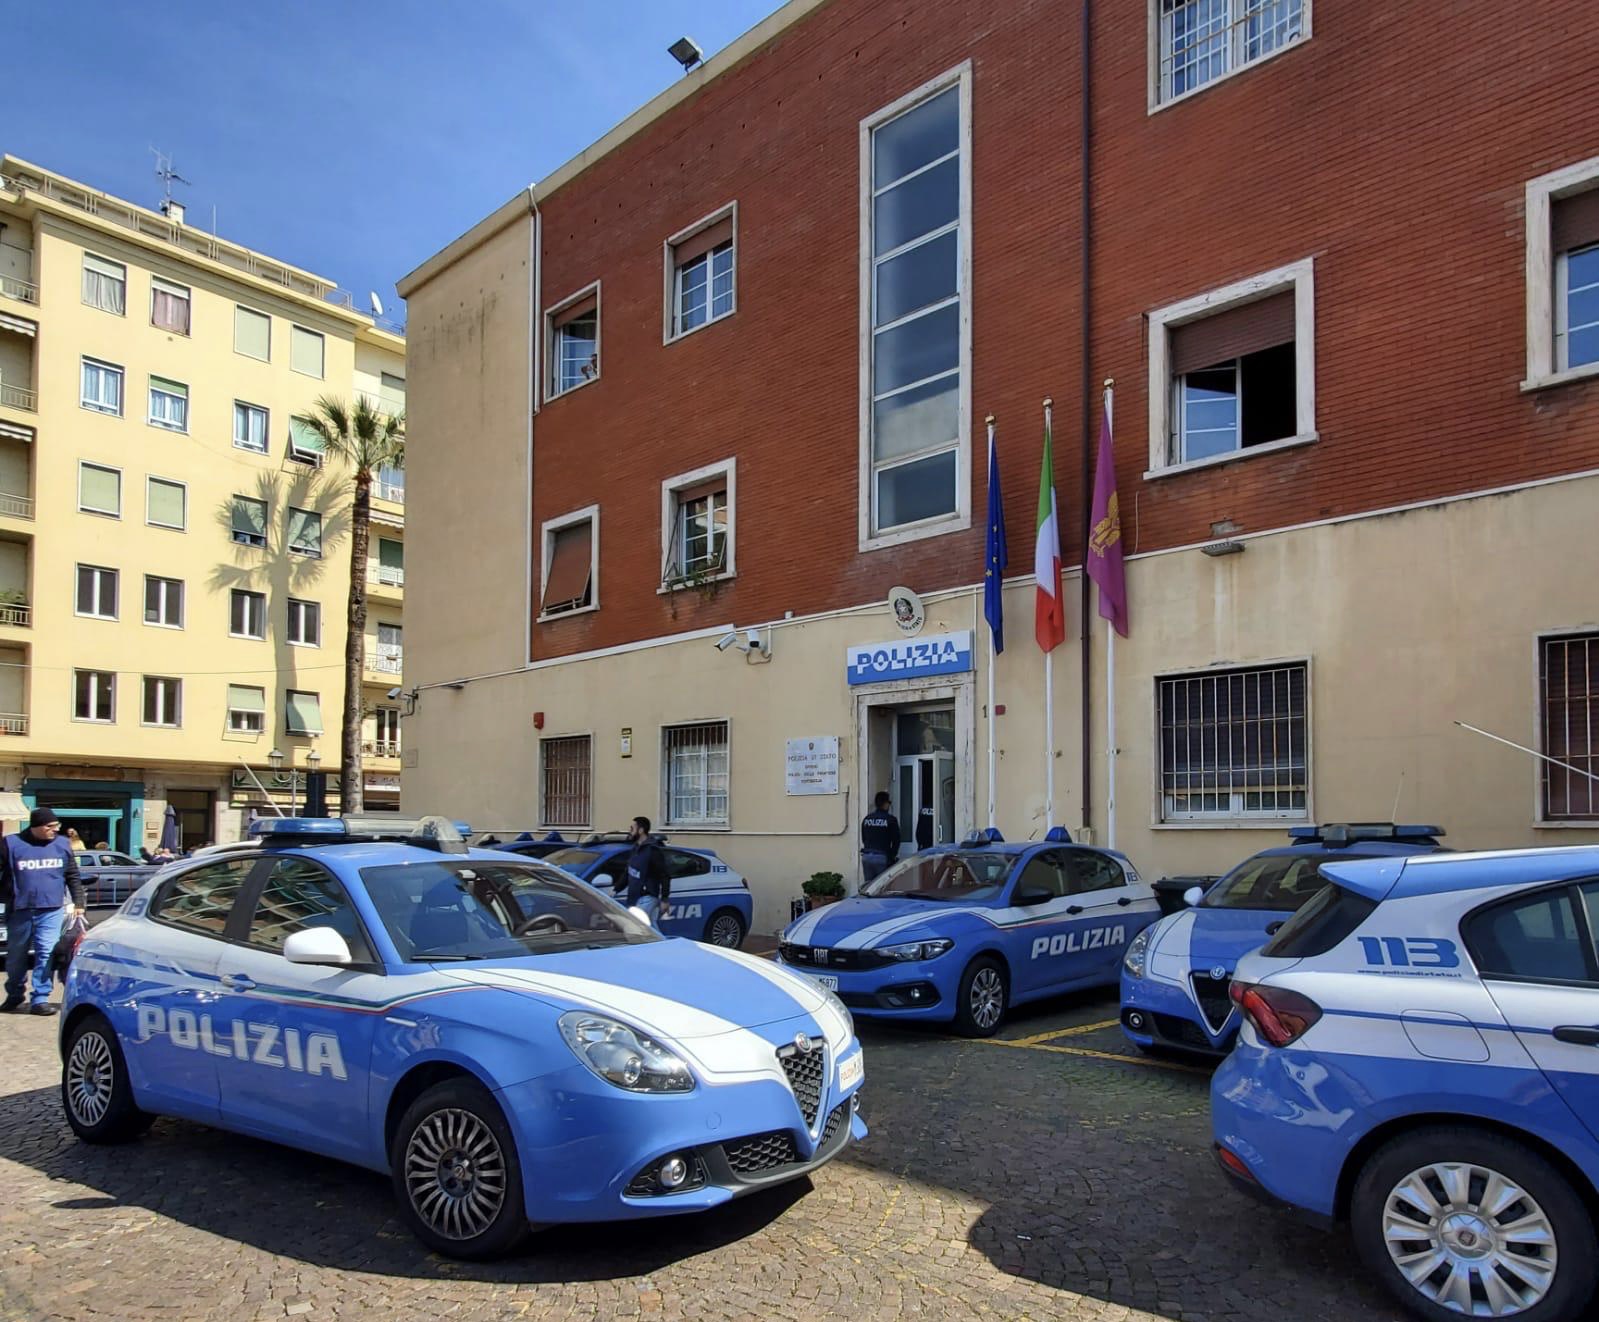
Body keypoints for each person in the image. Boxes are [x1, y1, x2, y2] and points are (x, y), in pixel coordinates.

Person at [1, 807, 85, 1015]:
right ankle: (14, 994)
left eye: (56, 826)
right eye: (50, 826)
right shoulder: (11, 844)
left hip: (51, 909)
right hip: (20, 908)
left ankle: (40, 998)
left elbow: (72, 875)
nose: (54, 830)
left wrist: (79, 902)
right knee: (16, 957)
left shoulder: (62, 844)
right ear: (36, 827)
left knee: (46, 953)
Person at [622, 816, 670, 927]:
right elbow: (628, 872)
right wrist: (616, 889)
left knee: (636, 925)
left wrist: (665, 899)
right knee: (650, 929)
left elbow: (664, 875)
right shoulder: (635, 849)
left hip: (647, 897)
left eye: (632, 828)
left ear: (641, 830)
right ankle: (661, 943)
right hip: (634, 897)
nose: (630, 831)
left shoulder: (653, 850)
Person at [860, 791, 901, 884]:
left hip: (867, 856)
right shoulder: (890, 820)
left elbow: (864, 838)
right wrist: (892, 857)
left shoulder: (867, 819)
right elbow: (896, 840)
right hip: (882, 857)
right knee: (883, 886)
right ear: (885, 804)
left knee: (869, 886)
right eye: (889, 803)